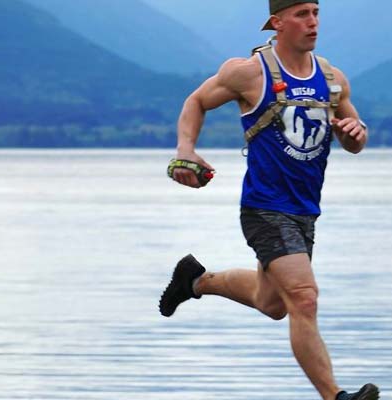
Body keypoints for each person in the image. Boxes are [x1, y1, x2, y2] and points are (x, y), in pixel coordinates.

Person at [158, 1, 378, 399]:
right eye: (301, 14)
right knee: (304, 299)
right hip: (264, 207)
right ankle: (336, 396)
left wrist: (354, 133)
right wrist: (185, 149)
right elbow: (196, 101)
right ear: (277, 23)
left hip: (305, 211)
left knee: (273, 302)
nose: (312, 22)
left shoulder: (332, 78)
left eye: (315, 12)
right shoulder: (249, 73)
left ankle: (195, 280)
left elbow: (354, 136)